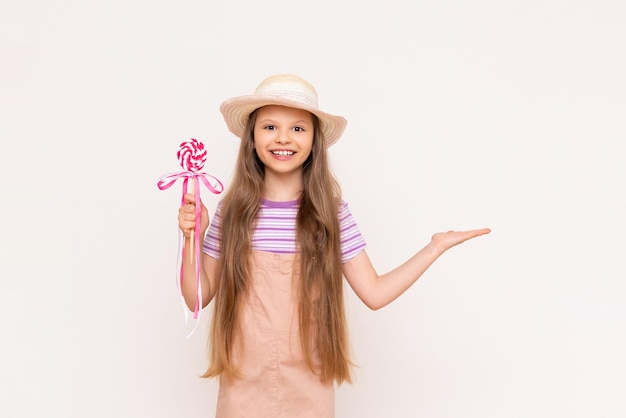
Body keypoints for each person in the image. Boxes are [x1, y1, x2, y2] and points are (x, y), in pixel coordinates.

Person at [177, 74, 490, 418]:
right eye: (270, 127)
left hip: (309, 379)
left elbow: (374, 293)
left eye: (298, 128)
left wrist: (433, 248)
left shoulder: (331, 214)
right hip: (242, 378)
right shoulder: (231, 212)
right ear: (251, 137)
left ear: (314, 141)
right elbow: (196, 298)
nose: (283, 138)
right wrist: (192, 238)